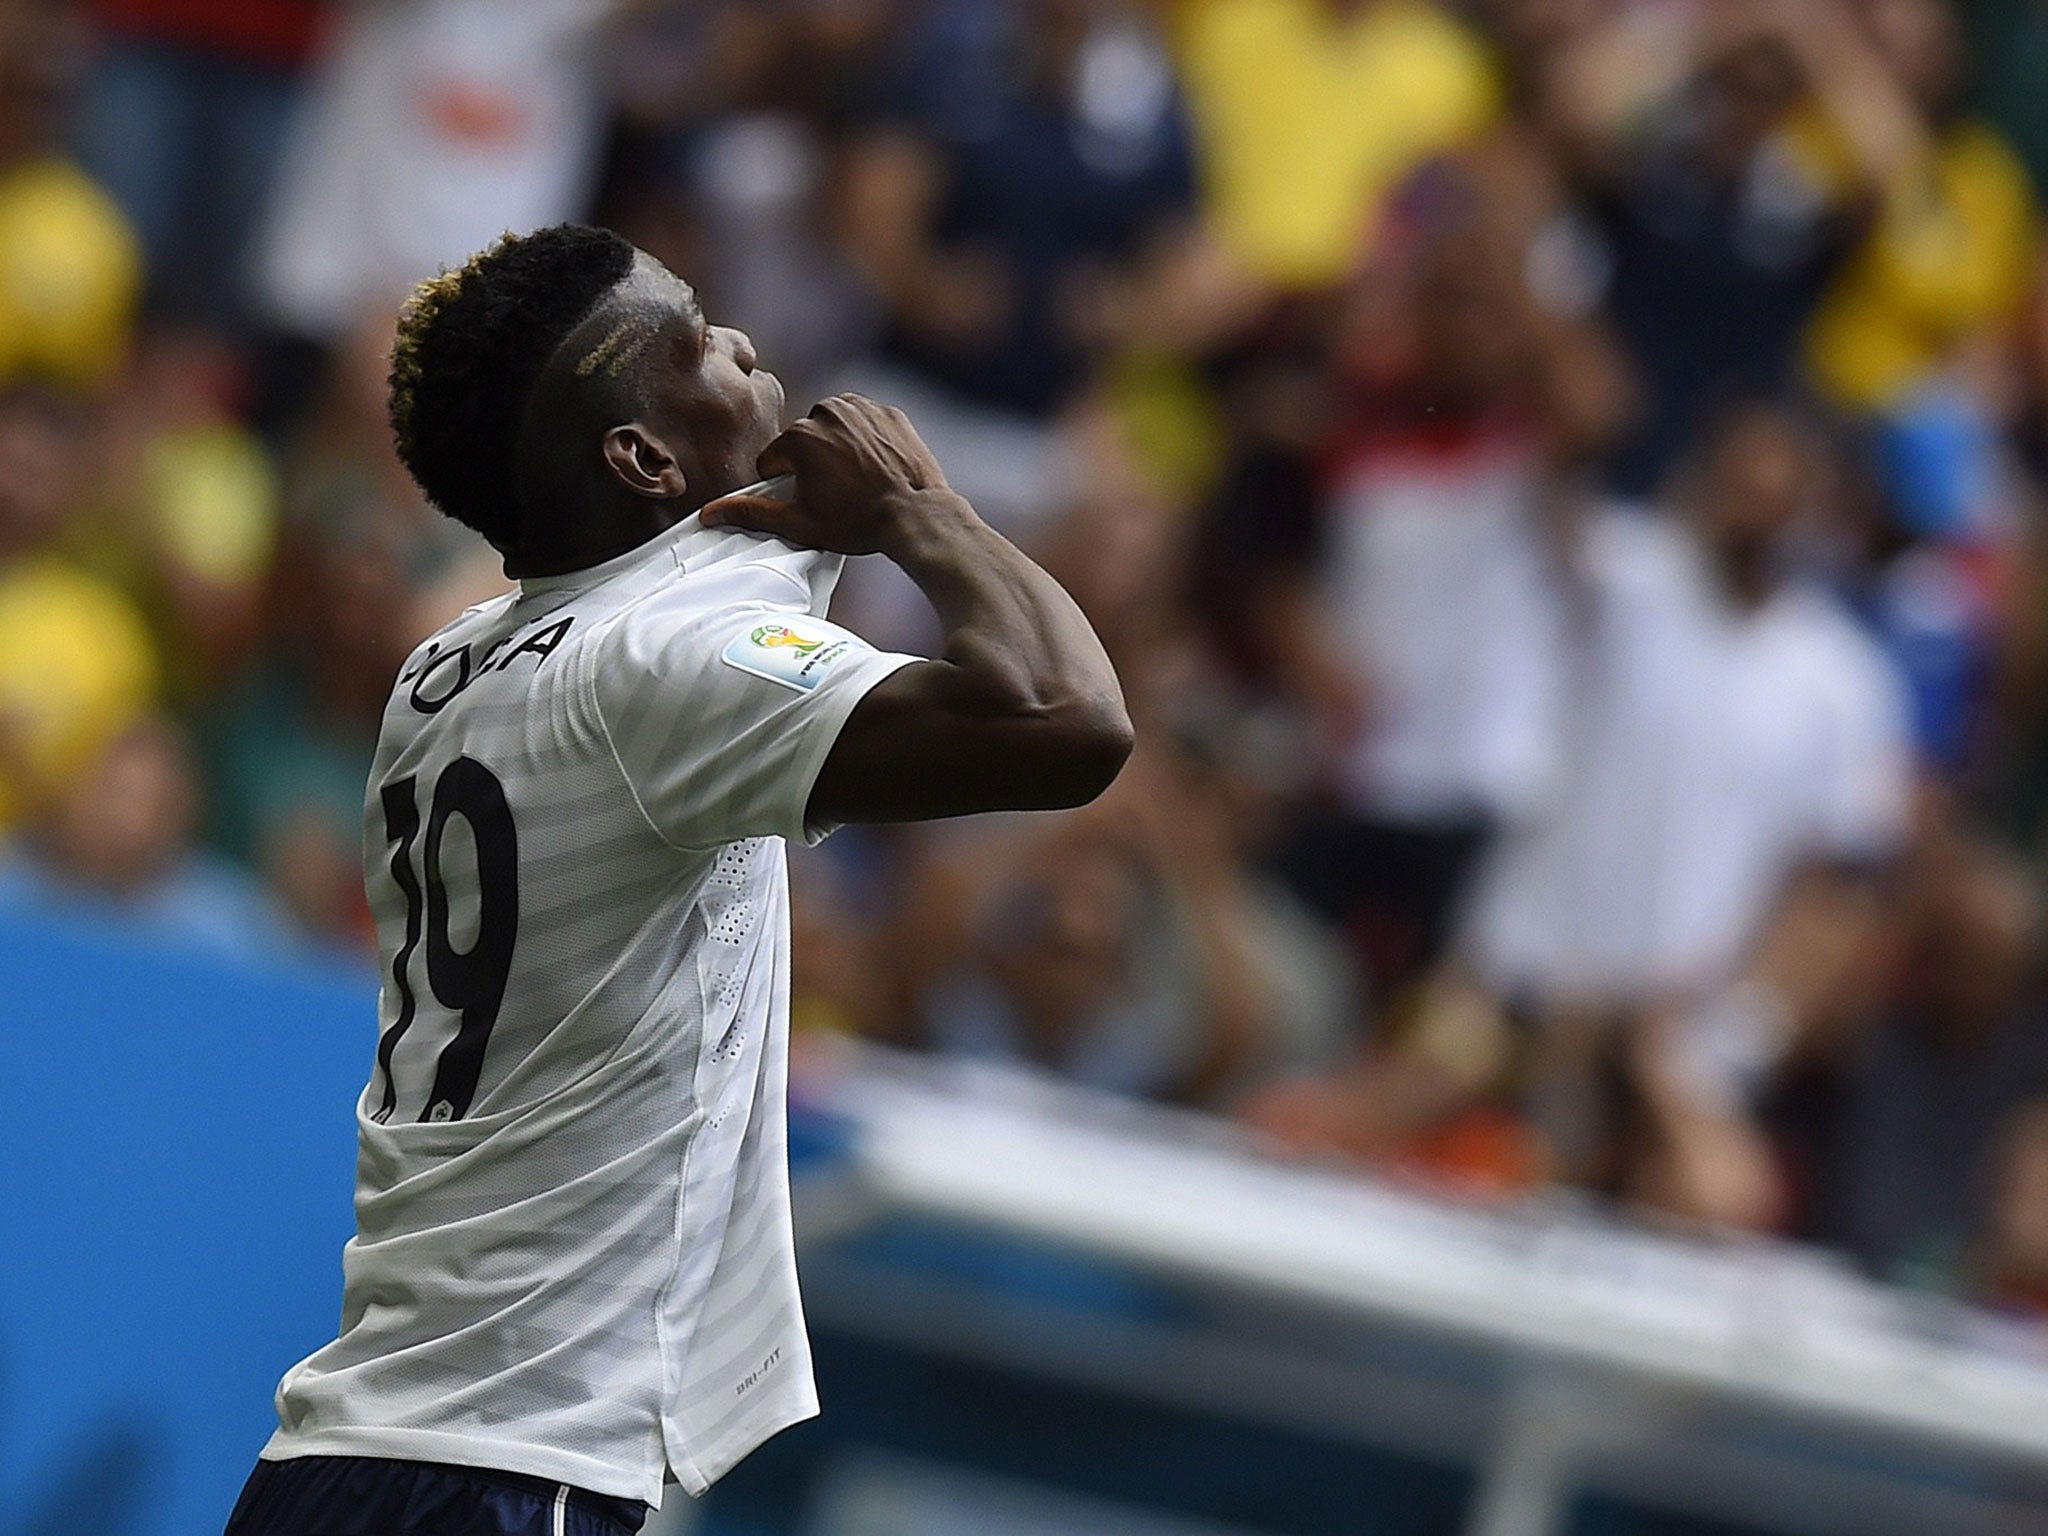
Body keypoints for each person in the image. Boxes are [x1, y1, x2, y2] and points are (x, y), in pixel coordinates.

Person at [224, 224, 1132, 1534]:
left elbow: (675, 603)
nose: (748, 345)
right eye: (700, 336)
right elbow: (1071, 720)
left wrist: (801, 534)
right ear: (642, 455)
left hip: (341, 1458)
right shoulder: (664, 666)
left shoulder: (444, 671)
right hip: (501, 1471)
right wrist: (919, 511)